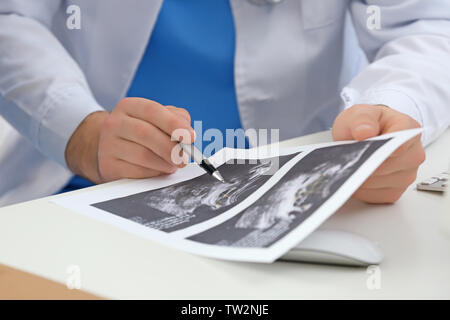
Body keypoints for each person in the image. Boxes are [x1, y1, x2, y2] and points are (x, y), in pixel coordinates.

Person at [0, 0, 449, 206]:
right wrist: (79, 132)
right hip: (81, 193)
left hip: (292, 197)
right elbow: (10, 17)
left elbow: (425, 25)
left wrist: (392, 107)